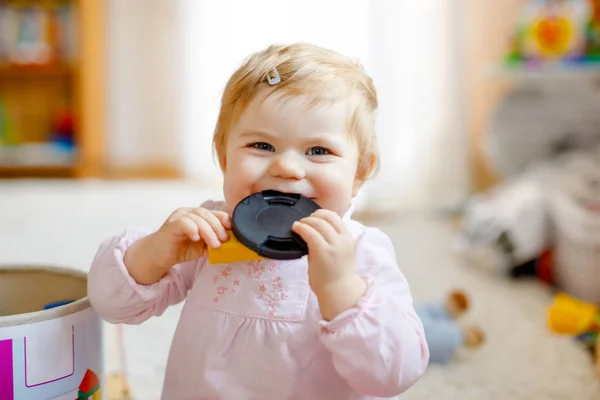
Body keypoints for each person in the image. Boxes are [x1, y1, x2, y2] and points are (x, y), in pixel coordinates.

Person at [88, 42, 429, 399]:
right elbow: (110, 303)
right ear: (223, 155)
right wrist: (154, 252)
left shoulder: (360, 251)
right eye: (262, 146)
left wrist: (341, 289)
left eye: (319, 151)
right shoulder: (210, 231)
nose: (286, 168)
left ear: (359, 171)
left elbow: (394, 374)